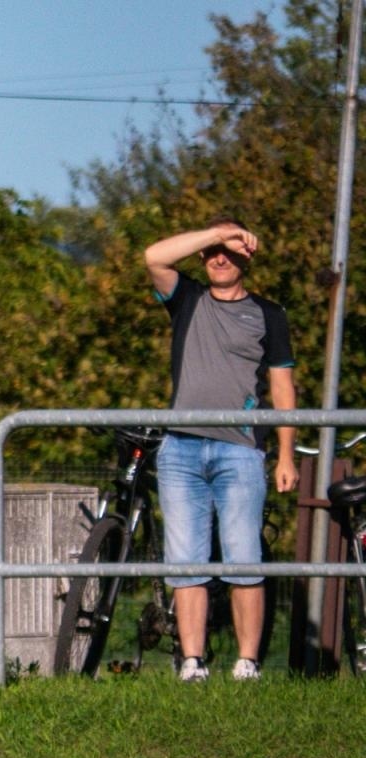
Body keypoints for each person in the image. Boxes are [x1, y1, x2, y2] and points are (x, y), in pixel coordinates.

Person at [143, 217, 298, 682]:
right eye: (212, 252)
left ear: (247, 255)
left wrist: (286, 454)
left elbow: (283, 386)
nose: (219, 259)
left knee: (242, 559)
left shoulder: (269, 314)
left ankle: (246, 663)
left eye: (229, 251)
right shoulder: (187, 299)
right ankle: (193, 662)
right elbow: (154, 256)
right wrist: (215, 234)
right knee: (186, 560)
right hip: (181, 452)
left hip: (240, 453)